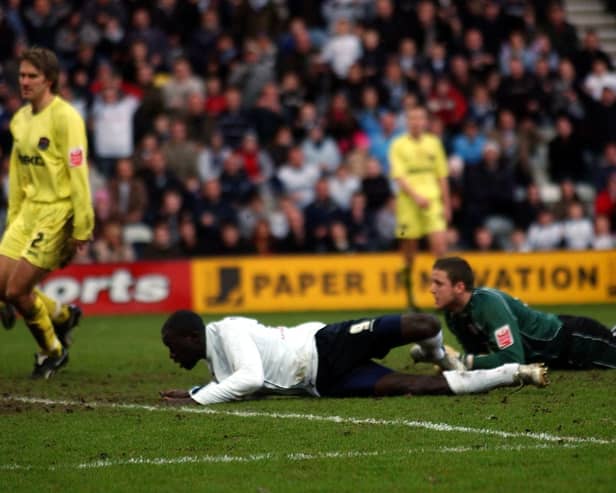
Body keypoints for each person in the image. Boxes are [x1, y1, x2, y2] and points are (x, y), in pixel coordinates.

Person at [159, 310, 548, 405]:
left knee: (424, 323)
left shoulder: (226, 331)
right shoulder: (216, 362)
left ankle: (443, 357)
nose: (171, 354)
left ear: (193, 336)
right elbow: (241, 382)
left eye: (172, 345)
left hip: (326, 344)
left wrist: (199, 398)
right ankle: (514, 372)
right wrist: (197, 389)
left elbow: (250, 379)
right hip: (325, 383)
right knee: (415, 387)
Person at [0, 47, 94, 379]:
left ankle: (52, 351)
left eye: (31, 76)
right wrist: (13, 218)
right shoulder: (20, 120)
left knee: (15, 292)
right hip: (27, 212)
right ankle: (63, 315)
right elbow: (17, 174)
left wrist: (82, 225)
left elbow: (78, 172)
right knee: (2, 286)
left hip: (57, 212)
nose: (23, 82)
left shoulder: (66, 118)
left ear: (49, 80)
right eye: (22, 75)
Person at [423, 256, 616, 370]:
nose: (432, 289)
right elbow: (480, 356)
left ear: (459, 287)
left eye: (438, 283)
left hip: (575, 341)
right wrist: (459, 362)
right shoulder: (453, 315)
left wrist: (462, 361)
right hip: (558, 358)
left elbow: (512, 359)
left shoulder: (488, 305)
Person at [389, 105, 450, 310]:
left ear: (425, 121)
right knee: (409, 256)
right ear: (407, 122)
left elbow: (442, 175)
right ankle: (410, 299)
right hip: (408, 205)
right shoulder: (398, 145)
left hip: (432, 203)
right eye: (412, 118)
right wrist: (416, 196)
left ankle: (443, 298)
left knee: (440, 249)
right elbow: (399, 176)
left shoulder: (434, 143)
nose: (416, 122)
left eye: (420, 118)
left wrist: (447, 203)